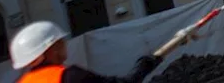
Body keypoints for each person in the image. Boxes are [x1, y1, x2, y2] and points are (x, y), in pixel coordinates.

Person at [9, 21, 162, 83]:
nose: (64, 44)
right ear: (49, 49)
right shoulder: (69, 77)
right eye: (60, 41)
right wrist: (144, 67)